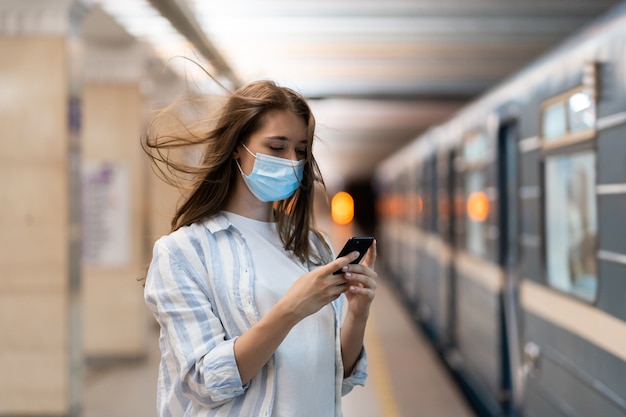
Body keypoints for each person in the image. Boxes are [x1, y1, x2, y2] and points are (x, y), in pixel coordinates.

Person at [142, 78, 377, 417]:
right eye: (276, 146)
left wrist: (357, 314)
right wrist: (292, 308)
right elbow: (205, 383)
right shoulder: (183, 253)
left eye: (300, 150)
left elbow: (334, 379)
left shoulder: (312, 245)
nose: (291, 160)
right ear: (238, 145)